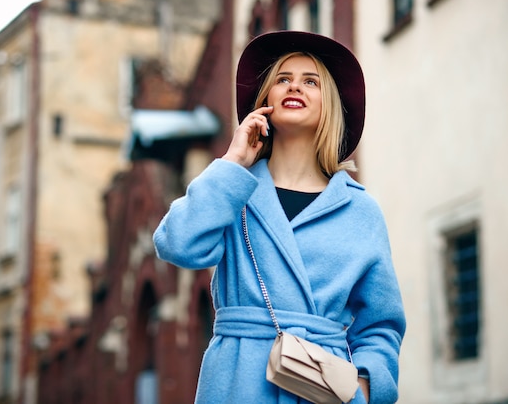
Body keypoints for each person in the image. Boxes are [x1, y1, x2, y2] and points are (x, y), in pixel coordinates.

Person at [153, 30, 406, 404]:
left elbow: (381, 324)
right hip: (238, 381)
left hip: (323, 388)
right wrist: (234, 162)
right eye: (283, 79)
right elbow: (177, 244)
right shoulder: (234, 188)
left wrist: (367, 388)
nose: (295, 87)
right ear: (265, 101)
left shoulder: (360, 210)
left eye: (310, 81)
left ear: (330, 104)